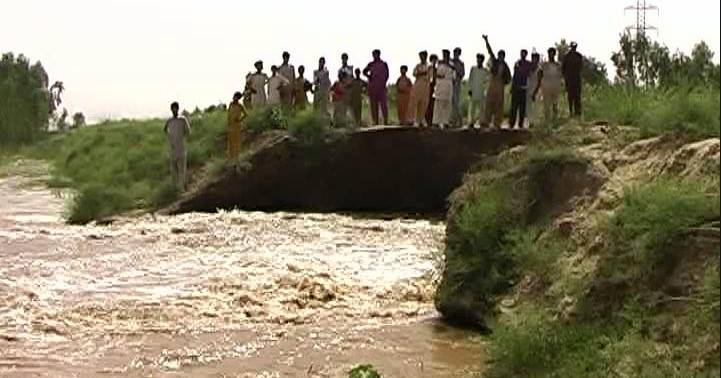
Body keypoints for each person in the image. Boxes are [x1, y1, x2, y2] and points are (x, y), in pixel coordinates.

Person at [482, 35, 512, 128]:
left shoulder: (506, 66)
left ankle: (497, 123)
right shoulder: (495, 62)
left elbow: (509, 77)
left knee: (499, 104)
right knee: (489, 102)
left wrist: (504, 83)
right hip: (493, 82)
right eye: (499, 55)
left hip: (500, 84)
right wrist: (486, 41)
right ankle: (486, 121)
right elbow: (490, 52)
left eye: (502, 56)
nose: (500, 57)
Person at [164, 102, 191, 190]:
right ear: (171, 109)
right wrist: (170, 137)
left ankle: (182, 188)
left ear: (178, 109)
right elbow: (165, 129)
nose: (174, 110)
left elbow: (188, 132)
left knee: (182, 169)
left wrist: (181, 137)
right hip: (172, 148)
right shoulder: (169, 120)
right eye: (173, 109)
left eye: (176, 108)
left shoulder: (182, 120)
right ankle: (175, 189)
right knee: (173, 170)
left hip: (181, 148)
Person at [534, 47, 563, 123]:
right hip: (546, 87)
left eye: (553, 53)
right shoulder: (544, 65)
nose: (551, 55)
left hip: (556, 87)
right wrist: (538, 87)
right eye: (550, 53)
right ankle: (547, 121)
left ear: (554, 54)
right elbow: (539, 75)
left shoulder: (558, 65)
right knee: (546, 105)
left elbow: (561, 75)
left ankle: (555, 120)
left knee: (555, 104)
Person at [363, 49, 390, 125]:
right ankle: (375, 121)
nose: (374, 56)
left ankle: (386, 121)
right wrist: (369, 77)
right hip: (373, 87)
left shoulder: (383, 64)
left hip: (381, 87)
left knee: (384, 105)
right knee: (373, 105)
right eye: (373, 54)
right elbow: (364, 71)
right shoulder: (371, 64)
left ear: (379, 54)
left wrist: (383, 82)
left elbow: (387, 74)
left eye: (376, 54)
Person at [509, 49, 533, 129]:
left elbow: (528, 74)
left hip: (523, 87)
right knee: (514, 107)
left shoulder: (528, 64)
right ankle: (512, 123)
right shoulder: (517, 63)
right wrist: (512, 87)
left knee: (522, 108)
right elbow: (515, 76)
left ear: (526, 54)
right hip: (516, 87)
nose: (522, 55)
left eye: (524, 54)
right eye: (521, 53)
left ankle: (520, 123)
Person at [433, 50, 455, 128]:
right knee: (438, 104)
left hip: (448, 85)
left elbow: (453, 76)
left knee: (447, 104)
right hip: (440, 85)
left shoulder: (451, 64)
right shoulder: (439, 64)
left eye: (447, 55)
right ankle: (436, 121)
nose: (445, 56)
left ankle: (445, 122)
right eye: (444, 55)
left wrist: (447, 65)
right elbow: (437, 74)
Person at [410, 51, 431, 127]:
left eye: (423, 56)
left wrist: (421, 73)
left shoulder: (429, 66)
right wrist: (422, 73)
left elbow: (429, 75)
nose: (422, 58)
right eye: (420, 56)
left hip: (425, 85)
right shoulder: (417, 66)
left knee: (424, 103)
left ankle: (422, 119)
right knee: (416, 102)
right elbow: (415, 73)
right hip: (418, 84)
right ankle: (416, 120)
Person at [563, 41, 584, 117]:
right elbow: (563, 69)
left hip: (576, 80)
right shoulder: (567, 57)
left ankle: (577, 113)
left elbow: (581, 68)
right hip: (570, 80)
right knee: (571, 97)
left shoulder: (578, 56)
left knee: (577, 97)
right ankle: (571, 112)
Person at [468, 53, 489, 127]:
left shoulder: (485, 70)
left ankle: (481, 121)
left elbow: (487, 81)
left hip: (481, 91)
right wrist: (470, 89)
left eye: (480, 59)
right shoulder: (473, 69)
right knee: (472, 107)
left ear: (483, 61)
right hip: (473, 90)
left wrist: (485, 91)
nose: (479, 61)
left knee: (481, 108)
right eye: (478, 59)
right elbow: (470, 79)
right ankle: (471, 121)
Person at [227, 92, 248, 160]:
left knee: (236, 142)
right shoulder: (230, 104)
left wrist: (239, 119)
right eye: (234, 97)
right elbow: (228, 114)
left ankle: (236, 157)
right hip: (230, 126)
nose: (234, 98)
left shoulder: (240, 105)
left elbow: (246, 114)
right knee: (230, 142)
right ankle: (231, 157)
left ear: (238, 98)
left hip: (237, 126)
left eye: (236, 97)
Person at [451, 47, 466, 127]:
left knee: (456, 102)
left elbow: (462, 74)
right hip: (449, 83)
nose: (455, 54)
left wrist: (456, 72)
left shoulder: (461, 63)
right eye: (454, 52)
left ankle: (458, 121)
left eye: (457, 53)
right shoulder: (449, 61)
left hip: (457, 83)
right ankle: (450, 120)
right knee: (449, 103)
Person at [526, 52, 541, 127]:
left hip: (536, 90)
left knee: (535, 107)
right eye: (533, 59)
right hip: (529, 89)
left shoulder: (539, 70)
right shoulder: (529, 68)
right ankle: (530, 123)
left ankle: (535, 123)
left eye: (535, 59)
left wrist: (535, 92)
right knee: (528, 107)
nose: (534, 60)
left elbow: (539, 82)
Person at [425, 54, 439, 127]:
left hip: (435, 87)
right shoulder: (428, 68)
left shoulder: (437, 69)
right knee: (427, 103)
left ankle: (432, 120)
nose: (434, 61)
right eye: (433, 60)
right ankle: (427, 120)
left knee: (433, 104)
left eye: (435, 60)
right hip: (428, 87)